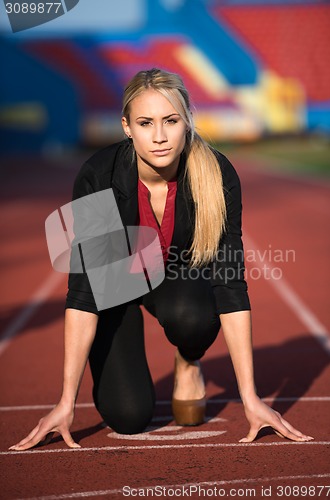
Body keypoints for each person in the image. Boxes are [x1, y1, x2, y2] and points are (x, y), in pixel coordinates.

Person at [9, 68, 313, 451]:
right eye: (145, 122)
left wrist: (250, 398)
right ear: (126, 127)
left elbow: (230, 284)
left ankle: (188, 361)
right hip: (114, 285)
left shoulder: (216, 175)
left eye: (170, 121)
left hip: (175, 276)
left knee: (194, 315)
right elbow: (84, 292)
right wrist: (65, 402)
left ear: (187, 120)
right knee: (129, 418)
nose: (158, 136)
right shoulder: (98, 176)